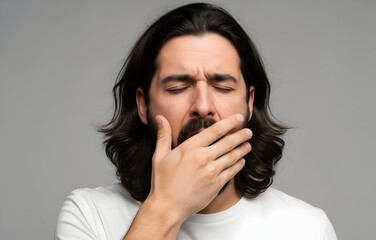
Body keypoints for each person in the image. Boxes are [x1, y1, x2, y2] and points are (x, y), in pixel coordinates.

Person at [55, 3, 337, 240]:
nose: (202, 106)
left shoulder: (308, 228)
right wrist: (166, 207)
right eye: (178, 87)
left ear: (249, 103)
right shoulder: (89, 214)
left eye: (223, 87)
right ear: (142, 105)